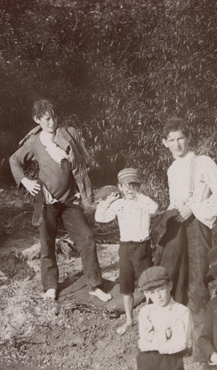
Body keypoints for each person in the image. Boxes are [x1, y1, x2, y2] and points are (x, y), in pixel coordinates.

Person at [9, 100, 110, 303]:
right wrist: (26, 182)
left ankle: (95, 285)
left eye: (54, 117)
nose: (52, 122)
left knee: (87, 239)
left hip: (70, 200)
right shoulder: (34, 142)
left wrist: (80, 189)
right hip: (47, 202)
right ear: (37, 119)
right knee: (47, 243)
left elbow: (79, 165)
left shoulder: (68, 135)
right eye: (46, 119)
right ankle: (50, 287)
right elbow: (14, 160)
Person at [158, 118, 217, 370]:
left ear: (188, 139)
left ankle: (204, 354)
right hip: (179, 229)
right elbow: (173, 202)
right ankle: (183, 342)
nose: (177, 144)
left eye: (181, 138)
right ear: (164, 143)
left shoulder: (203, 162)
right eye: (171, 140)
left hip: (199, 226)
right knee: (177, 280)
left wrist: (195, 208)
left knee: (198, 285)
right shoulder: (171, 170)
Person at [95, 167, 158, 334]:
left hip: (142, 247)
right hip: (124, 248)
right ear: (120, 187)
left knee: (147, 284)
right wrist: (107, 201)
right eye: (126, 185)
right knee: (126, 285)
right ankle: (129, 320)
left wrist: (138, 195)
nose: (130, 189)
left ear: (140, 186)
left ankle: (150, 320)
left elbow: (154, 208)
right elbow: (100, 218)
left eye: (134, 185)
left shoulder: (143, 202)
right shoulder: (119, 205)